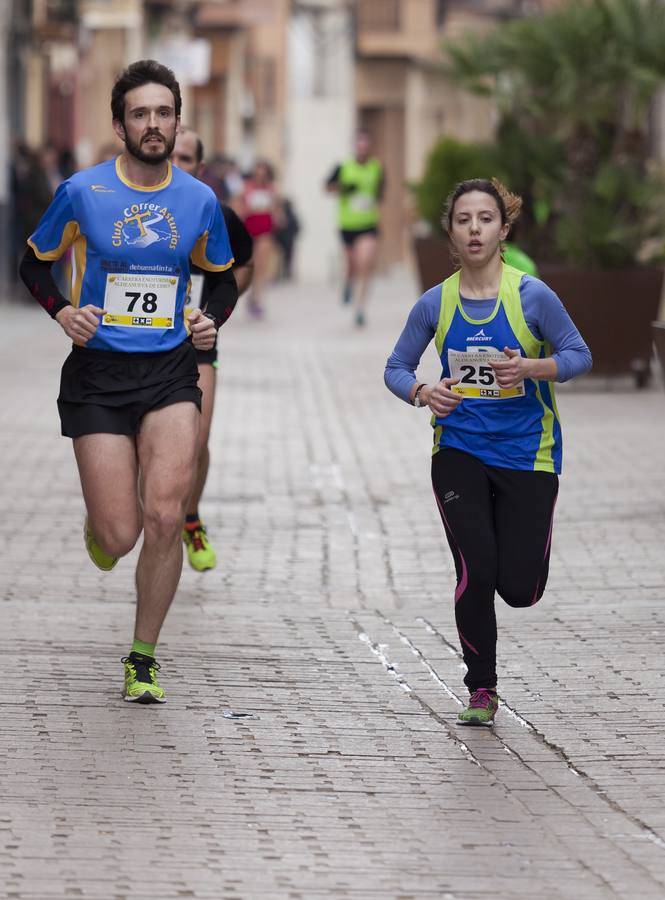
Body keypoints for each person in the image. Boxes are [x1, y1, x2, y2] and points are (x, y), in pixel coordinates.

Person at [19, 59, 238, 704]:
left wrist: (212, 320)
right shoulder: (83, 193)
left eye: (163, 113)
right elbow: (33, 264)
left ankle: (143, 656)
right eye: (139, 114)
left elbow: (221, 275)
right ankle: (103, 522)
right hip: (99, 372)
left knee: (165, 514)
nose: (153, 124)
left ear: (176, 122)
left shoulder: (199, 200)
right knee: (122, 533)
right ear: (120, 125)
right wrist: (63, 311)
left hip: (170, 369)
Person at [384, 178, 592, 727]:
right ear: (450, 232)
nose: (474, 229)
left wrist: (530, 367)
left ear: (503, 228)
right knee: (475, 567)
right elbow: (395, 368)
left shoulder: (532, 297)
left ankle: (519, 572)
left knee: (518, 589)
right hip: (459, 450)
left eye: (485, 219)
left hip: (529, 454)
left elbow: (579, 355)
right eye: (463, 220)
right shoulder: (436, 303)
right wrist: (424, 392)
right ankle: (482, 689)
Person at [171, 126, 254, 571]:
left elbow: (245, 268)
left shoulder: (216, 214)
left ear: (199, 168)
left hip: (197, 341)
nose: (176, 165)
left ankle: (190, 518)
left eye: (186, 159)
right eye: (172, 156)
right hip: (137, 342)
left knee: (196, 437)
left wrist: (214, 312)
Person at [326, 130, 384, 327]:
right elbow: (327, 187)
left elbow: (380, 193)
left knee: (364, 263)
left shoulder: (377, 167)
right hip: (347, 226)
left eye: (365, 146)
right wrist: (343, 188)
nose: (362, 150)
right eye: (359, 146)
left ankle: (360, 308)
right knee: (351, 265)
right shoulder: (343, 167)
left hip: (368, 225)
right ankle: (348, 284)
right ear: (354, 147)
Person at [236, 160, 279, 318]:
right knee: (251, 266)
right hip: (249, 231)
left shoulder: (272, 190)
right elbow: (239, 210)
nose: (260, 176)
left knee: (262, 266)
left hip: (265, 232)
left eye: (264, 173)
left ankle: (258, 298)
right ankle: (251, 294)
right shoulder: (246, 188)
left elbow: (277, 212)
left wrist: (274, 214)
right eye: (258, 173)